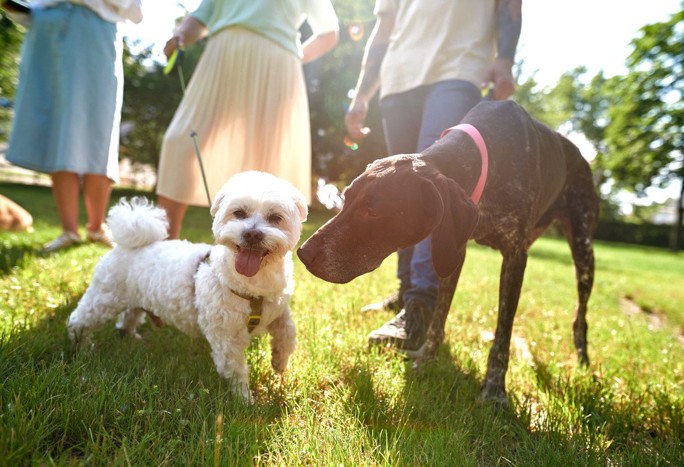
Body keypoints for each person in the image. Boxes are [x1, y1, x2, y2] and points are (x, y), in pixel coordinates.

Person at [345, 0, 522, 350]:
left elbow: (509, 6)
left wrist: (505, 58)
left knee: (430, 182)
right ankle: (407, 288)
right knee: (399, 192)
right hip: (398, 82)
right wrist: (363, 93)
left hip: (458, 71)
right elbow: (383, 31)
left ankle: (422, 305)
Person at [156, 0, 339, 239]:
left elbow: (329, 33)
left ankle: (266, 250)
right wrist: (179, 35)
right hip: (220, 58)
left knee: (270, 157)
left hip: (278, 65)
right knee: (181, 141)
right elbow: (203, 16)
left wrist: (293, 56)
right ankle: (164, 242)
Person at [6, 0, 143, 253]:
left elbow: (132, 8)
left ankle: (96, 226)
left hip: (96, 28)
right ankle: (69, 230)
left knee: (99, 129)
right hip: (48, 28)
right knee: (59, 128)